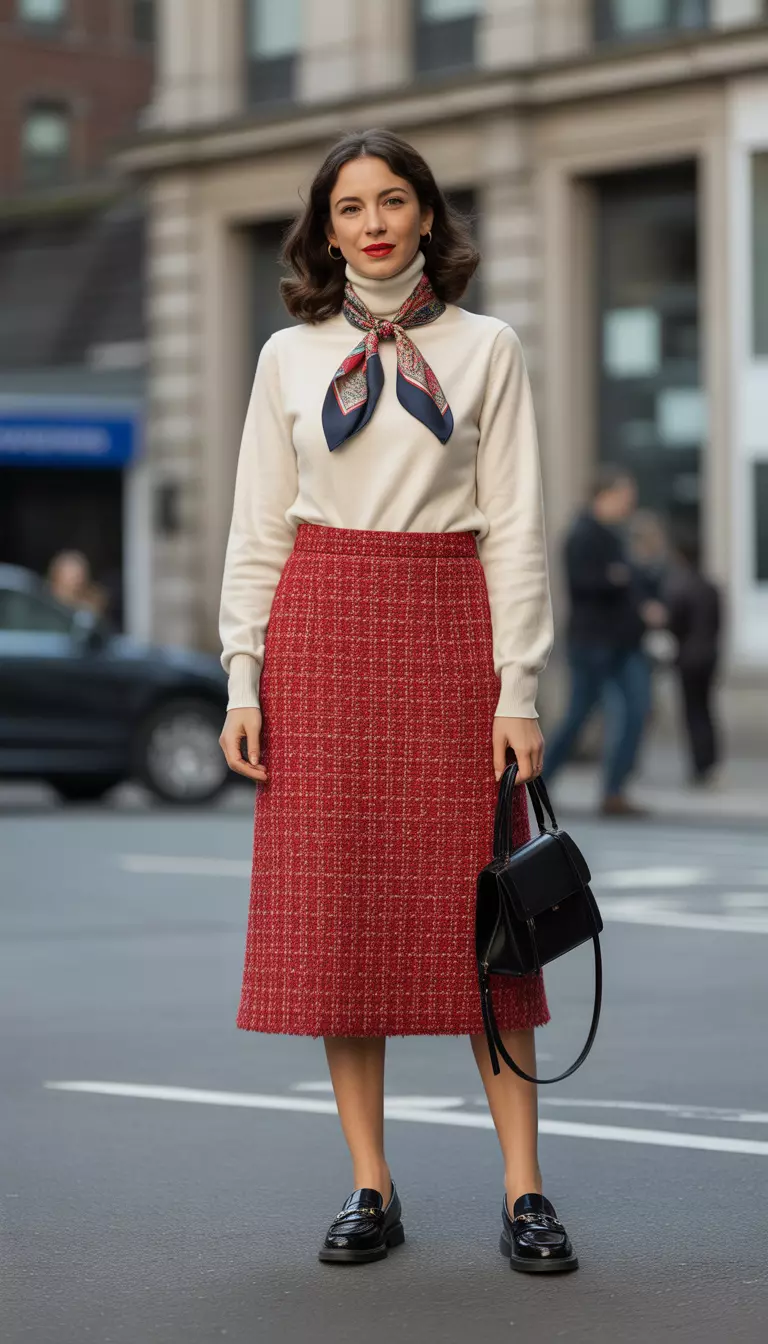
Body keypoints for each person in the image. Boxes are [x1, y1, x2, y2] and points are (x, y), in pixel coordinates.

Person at [217, 129, 578, 1273]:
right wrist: (242, 673)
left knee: (491, 928)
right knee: (338, 923)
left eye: (393, 200)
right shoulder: (286, 357)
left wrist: (518, 686)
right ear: (325, 230)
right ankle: (371, 1184)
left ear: (428, 214)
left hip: (449, 624)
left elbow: (515, 524)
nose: (372, 223)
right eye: (349, 207)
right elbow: (260, 527)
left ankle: (525, 1191)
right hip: (321, 631)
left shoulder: (489, 348)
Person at [543, 468, 653, 817]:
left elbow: (630, 581)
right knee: (579, 715)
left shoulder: (618, 536)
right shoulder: (581, 534)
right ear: (604, 496)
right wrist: (615, 579)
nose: (629, 503)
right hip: (593, 643)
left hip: (625, 641)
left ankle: (614, 791)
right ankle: (539, 782)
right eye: (625, 496)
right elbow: (586, 583)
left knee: (637, 709)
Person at [662, 537, 722, 785]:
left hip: (688, 657)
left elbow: (674, 624)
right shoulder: (710, 588)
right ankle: (709, 759)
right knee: (706, 709)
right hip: (708, 656)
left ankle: (700, 764)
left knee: (692, 711)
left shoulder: (680, 588)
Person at [46, 550, 108, 617]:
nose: (77, 579)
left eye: (79, 574)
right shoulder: (44, 599)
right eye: (70, 573)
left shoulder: (90, 606)